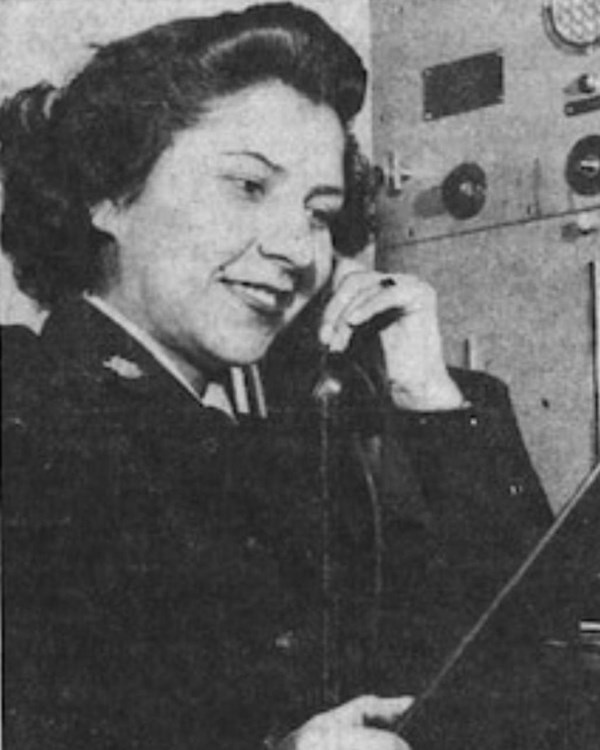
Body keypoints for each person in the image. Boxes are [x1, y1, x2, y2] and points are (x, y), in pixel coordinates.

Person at [1, 4, 552, 749]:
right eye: (248, 187)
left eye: (320, 213)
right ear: (110, 192)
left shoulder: (246, 437)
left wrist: (426, 396)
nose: (298, 248)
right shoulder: (28, 406)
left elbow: (516, 665)